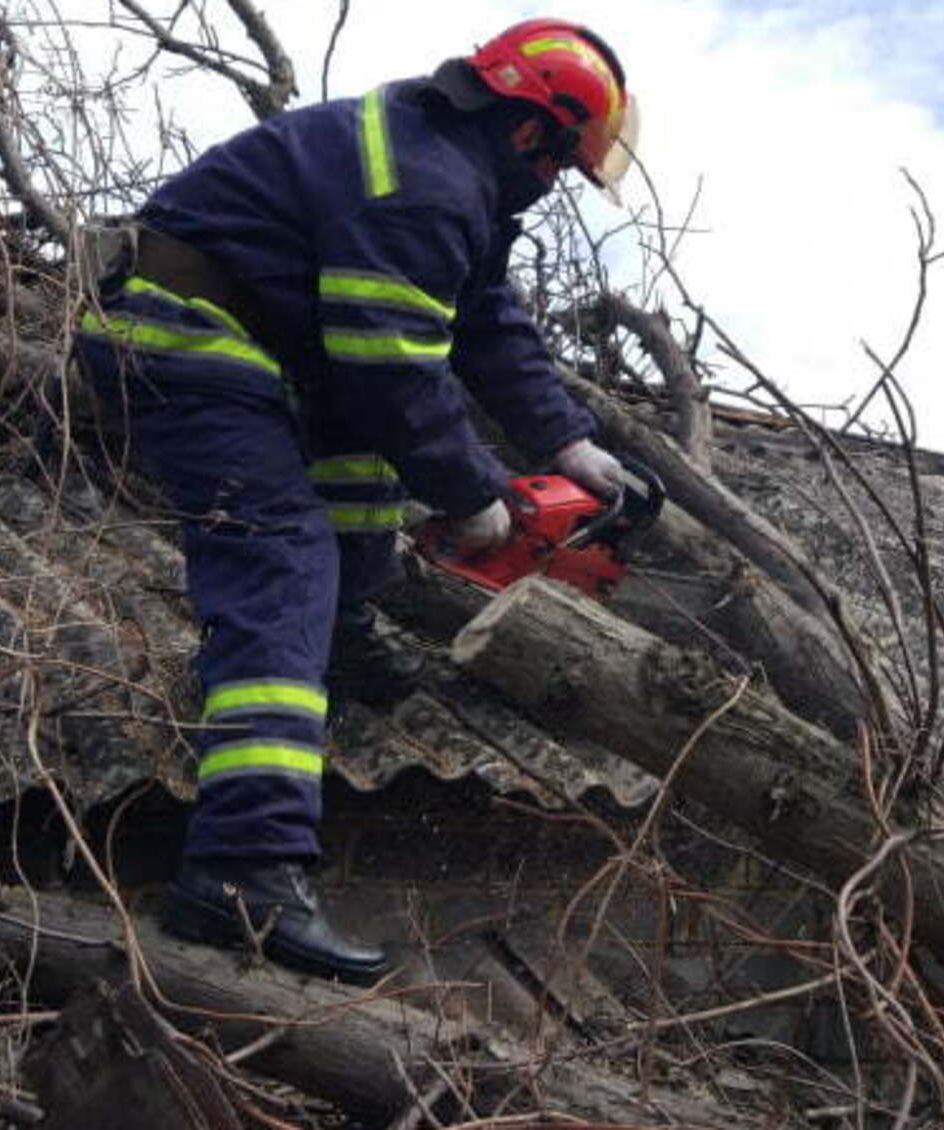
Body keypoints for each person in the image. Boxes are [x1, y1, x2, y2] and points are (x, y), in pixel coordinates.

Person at [75, 19, 638, 984]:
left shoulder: (442, 167)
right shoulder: (425, 182)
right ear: (528, 133)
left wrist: (570, 443)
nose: (551, 191)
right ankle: (243, 868)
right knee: (281, 555)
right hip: (185, 333)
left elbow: (484, 320)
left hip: (266, 346)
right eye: (557, 167)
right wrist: (476, 498)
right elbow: (390, 370)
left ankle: (335, 635)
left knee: (358, 484)